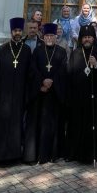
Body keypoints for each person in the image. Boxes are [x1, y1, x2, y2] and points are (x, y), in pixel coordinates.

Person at [0, 18, 32, 164]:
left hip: (19, 95)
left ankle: (14, 156)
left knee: (16, 126)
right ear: (11, 32)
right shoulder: (3, 49)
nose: (17, 33)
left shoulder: (26, 50)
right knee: (2, 125)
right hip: (4, 95)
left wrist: (27, 96)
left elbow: (29, 74)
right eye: (15, 31)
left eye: (19, 31)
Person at [24, 23, 68, 164]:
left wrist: (52, 82)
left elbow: (63, 71)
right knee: (39, 124)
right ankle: (39, 155)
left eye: (52, 36)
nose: (49, 38)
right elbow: (32, 69)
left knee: (53, 125)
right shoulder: (37, 51)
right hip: (40, 95)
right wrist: (41, 83)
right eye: (47, 35)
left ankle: (53, 154)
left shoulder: (62, 51)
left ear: (56, 37)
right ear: (43, 37)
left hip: (54, 95)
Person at [66, 24, 97, 164]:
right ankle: (75, 153)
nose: (87, 39)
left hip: (93, 98)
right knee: (76, 126)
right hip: (78, 99)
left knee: (92, 127)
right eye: (84, 37)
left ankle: (92, 155)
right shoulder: (75, 53)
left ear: (94, 38)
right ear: (81, 39)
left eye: (89, 37)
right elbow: (69, 75)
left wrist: (96, 65)